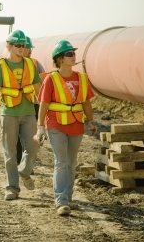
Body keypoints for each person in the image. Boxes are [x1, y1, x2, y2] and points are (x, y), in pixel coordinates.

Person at [35, 40, 97, 216]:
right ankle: (61, 201)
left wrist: (91, 121)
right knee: (61, 162)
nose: (73, 56)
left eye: (74, 53)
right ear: (60, 59)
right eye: (69, 54)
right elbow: (44, 104)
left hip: (76, 124)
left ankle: (69, 198)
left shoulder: (82, 78)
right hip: (56, 125)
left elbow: (86, 102)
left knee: (71, 163)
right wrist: (40, 127)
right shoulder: (51, 79)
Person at [0, 30, 41, 200]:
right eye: (18, 45)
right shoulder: (0, 67)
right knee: (10, 153)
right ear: (9, 46)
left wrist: (44, 115)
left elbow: (39, 92)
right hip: (8, 113)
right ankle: (12, 188)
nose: (21, 48)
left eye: (23, 45)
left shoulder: (30, 65)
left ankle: (24, 171)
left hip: (28, 113)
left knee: (33, 147)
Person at [15, 36, 46, 164]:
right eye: (27, 48)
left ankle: (28, 164)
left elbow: (44, 82)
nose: (29, 50)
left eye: (29, 48)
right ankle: (18, 161)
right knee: (17, 136)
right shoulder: (12, 64)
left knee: (30, 136)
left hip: (33, 104)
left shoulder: (36, 64)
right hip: (17, 104)